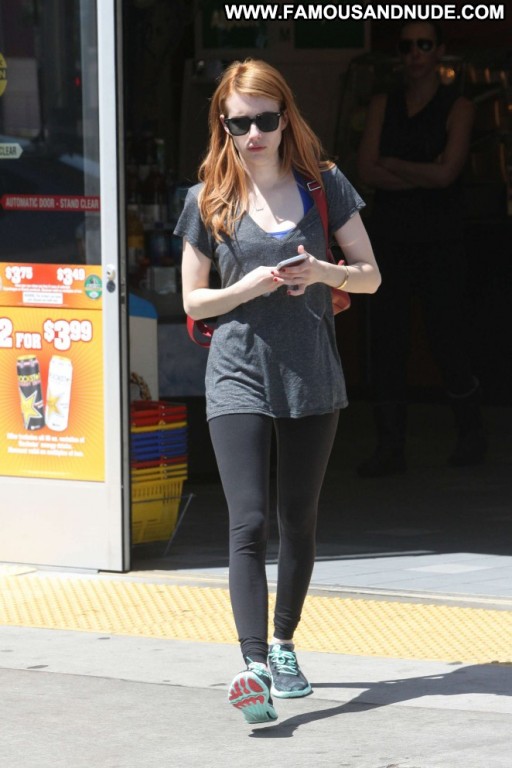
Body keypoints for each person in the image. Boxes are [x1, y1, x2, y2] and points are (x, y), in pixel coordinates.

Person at [174, 58, 380, 724]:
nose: (254, 134)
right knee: (249, 520)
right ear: (223, 125)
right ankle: (254, 665)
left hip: (311, 373)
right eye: (240, 123)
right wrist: (245, 287)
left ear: (286, 117)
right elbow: (193, 300)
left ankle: (285, 644)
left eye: (265, 119)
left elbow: (370, 276)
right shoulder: (207, 197)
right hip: (236, 373)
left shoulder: (325, 185)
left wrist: (321, 271)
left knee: (298, 519)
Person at [356, 20, 486, 478]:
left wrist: (394, 165)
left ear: (440, 51)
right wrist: (422, 172)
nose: (414, 53)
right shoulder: (382, 103)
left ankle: (470, 433)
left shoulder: (459, 106)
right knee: (387, 338)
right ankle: (390, 445)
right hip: (391, 236)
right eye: (407, 45)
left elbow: (448, 173)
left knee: (446, 334)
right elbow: (366, 169)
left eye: (424, 44)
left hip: (441, 238)